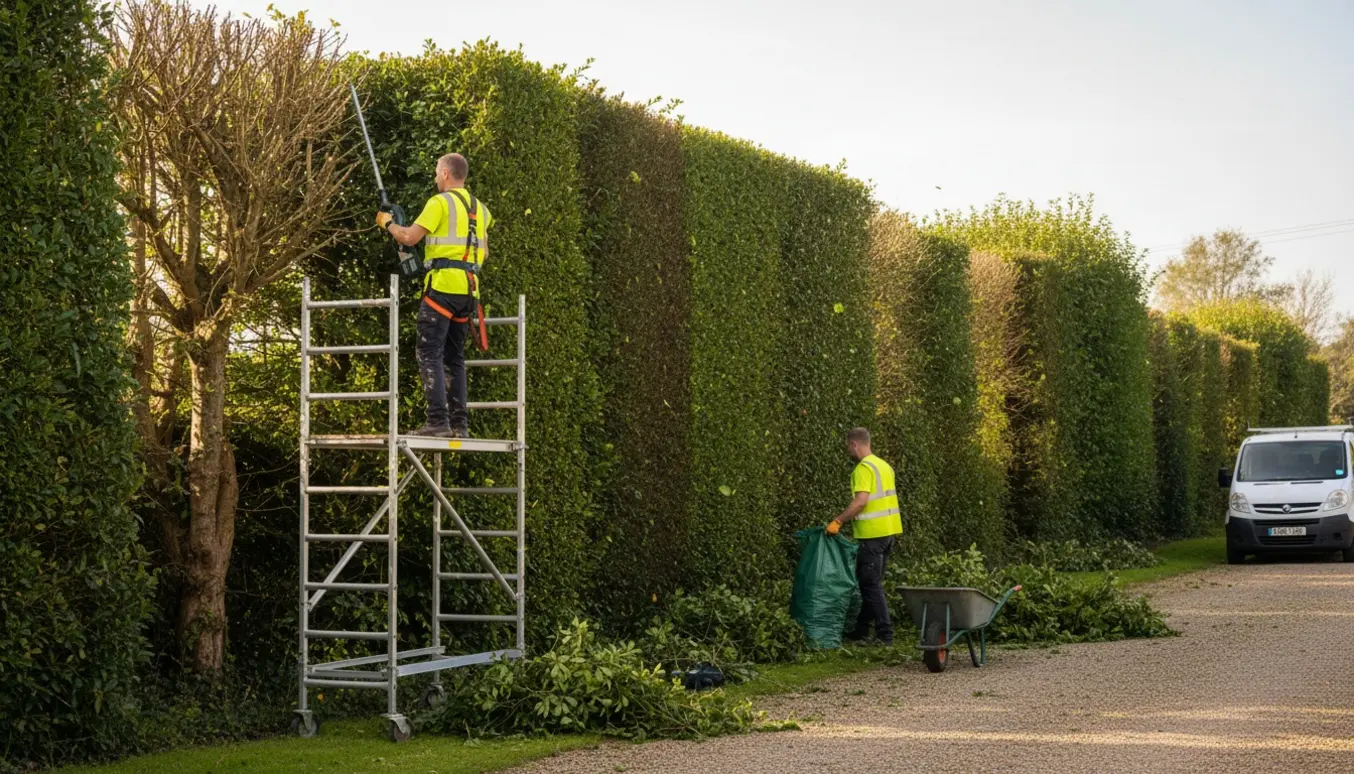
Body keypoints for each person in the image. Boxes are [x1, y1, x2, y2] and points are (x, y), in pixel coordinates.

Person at [377, 152, 494, 438]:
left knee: (429, 352)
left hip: (442, 288)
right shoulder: (481, 210)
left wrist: (388, 224)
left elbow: (409, 237)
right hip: (469, 290)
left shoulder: (439, 203)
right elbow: (484, 252)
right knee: (455, 358)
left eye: (435, 172)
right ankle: (460, 425)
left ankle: (437, 421)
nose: (434, 177)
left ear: (445, 173)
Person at [826, 427, 902, 645]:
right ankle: (861, 630)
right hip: (888, 533)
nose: (848, 450)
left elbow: (861, 502)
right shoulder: (884, 466)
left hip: (872, 535)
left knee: (870, 585)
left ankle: (884, 635)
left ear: (853, 444)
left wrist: (838, 521)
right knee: (871, 582)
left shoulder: (863, 468)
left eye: (847, 446)